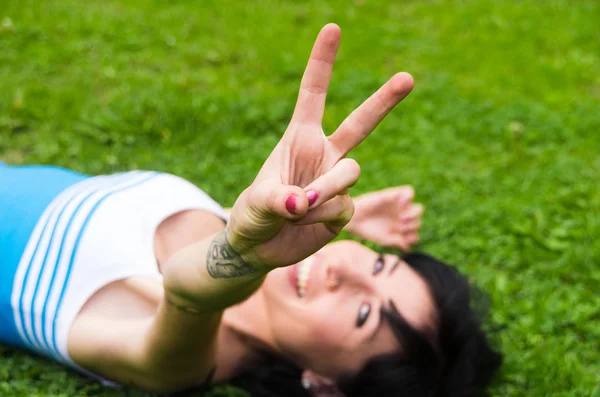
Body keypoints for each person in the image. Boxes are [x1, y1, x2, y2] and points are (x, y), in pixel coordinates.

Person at [0, 24, 501, 396]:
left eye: (363, 314)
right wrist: (343, 209)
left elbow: (191, 296)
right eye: (376, 263)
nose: (340, 270)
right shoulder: (255, 234)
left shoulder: (187, 359)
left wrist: (233, 259)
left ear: (325, 385)